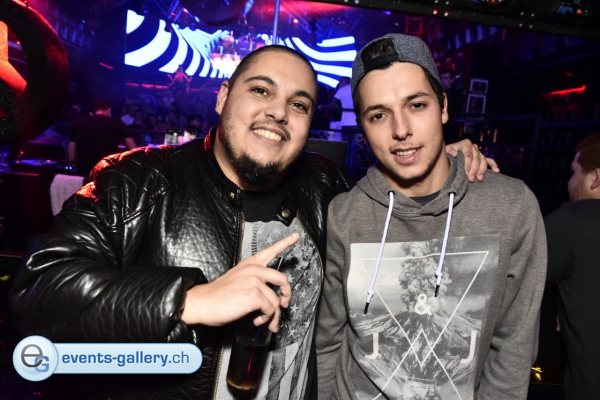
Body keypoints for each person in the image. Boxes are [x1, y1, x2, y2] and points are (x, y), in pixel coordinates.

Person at [11, 45, 491, 399]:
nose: (278, 112)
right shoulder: (137, 180)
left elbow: (401, 214)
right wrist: (189, 300)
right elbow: (36, 292)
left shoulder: (326, 187)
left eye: (299, 104)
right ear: (223, 97)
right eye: (260, 90)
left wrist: (438, 163)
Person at [316, 34, 546, 400]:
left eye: (417, 105)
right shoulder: (344, 215)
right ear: (363, 127)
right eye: (379, 115)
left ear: (443, 107)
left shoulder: (512, 206)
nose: (401, 130)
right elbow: (327, 341)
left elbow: (514, 347)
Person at [544, 133, 600, 400]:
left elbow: (499, 270)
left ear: (596, 177)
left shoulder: (576, 221)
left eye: (574, 172)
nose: (569, 182)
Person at [67, 100, 137, 177]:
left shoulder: (78, 123)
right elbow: (133, 149)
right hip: (108, 173)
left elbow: (71, 157)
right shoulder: (118, 123)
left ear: (91, 113)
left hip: (84, 174)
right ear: (109, 110)